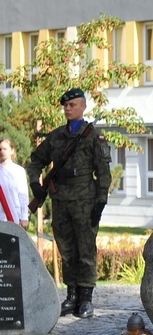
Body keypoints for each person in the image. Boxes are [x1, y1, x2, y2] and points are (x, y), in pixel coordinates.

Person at [26, 88, 111, 319]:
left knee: (85, 249)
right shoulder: (56, 136)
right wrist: (35, 184)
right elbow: (34, 162)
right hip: (61, 200)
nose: (67, 108)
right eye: (65, 105)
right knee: (66, 249)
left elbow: (103, 172)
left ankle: (86, 298)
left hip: (85, 200)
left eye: (72, 105)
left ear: (83, 106)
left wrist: (101, 200)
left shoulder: (93, 136)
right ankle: (71, 295)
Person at [0, 138, 29, 228]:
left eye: (5, 149)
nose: (2, 151)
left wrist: (24, 217)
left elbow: (23, 195)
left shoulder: (19, 171)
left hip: (14, 217)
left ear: (12, 150)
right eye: (0, 149)